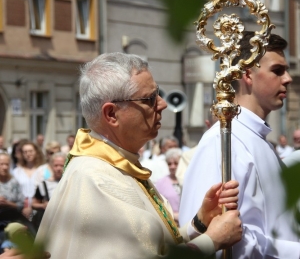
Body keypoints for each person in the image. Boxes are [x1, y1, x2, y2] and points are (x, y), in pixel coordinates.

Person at [36, 52, 242, 258]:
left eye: (158, 94)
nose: (162, 104)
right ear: (111, 114)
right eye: (150, 99)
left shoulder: (117, 164)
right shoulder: (96, 179)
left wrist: (200, 223)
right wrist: (212, 240)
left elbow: (151, 245)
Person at [179, 32, 300, 258]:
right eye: (277, 71)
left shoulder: (258, 138)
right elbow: (215, 238)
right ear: (247, 74)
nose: (288, 78)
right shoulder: (223, 140)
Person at [32, 152, 65, 230]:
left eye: (62, 166)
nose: (59, 169)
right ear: (51, 166)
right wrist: (43, 206)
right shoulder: (43, 184)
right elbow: (33, 204)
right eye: (56, 165)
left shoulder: (70, 184)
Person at [13, 142, 44, 220]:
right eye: (25, 152)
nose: (28, 154)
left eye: (30, 151)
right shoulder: (16, 172)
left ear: (36, 152)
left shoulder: (43, 170)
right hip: (21, 210)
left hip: (39, 210)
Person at [155, 148, 182, 224]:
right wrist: (174, 215)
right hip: (171, 223)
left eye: (176, 163)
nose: (172, 166)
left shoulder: (188, 180)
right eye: (169, 164)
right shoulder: (161, 182)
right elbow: (158, 205)